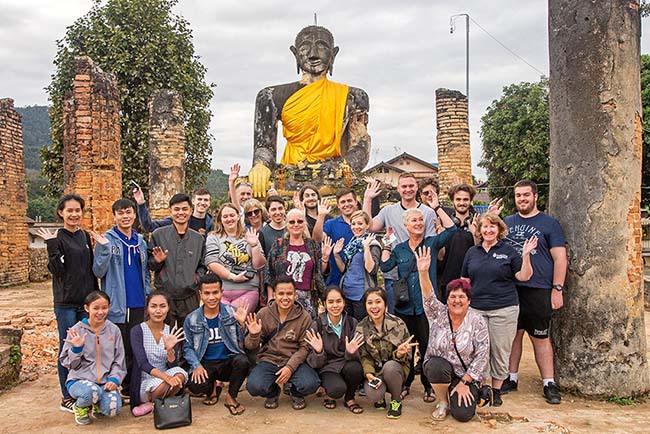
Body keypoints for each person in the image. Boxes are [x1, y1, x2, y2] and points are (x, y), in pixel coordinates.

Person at [248, 25, 370, 197]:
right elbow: (264, 146)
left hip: (332, 171)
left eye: (321, 46)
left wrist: (344, 166)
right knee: (251, 187)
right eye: (305, 47)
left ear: (333, 54)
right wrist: (260, 165)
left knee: (365, 187)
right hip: (291, 172)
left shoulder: (353, 96)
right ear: (295, 53)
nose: (313, 54)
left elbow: (360, 147)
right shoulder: (270, 96)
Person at [380, 200, 457, 403]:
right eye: (414, 220)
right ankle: (405, 384)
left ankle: (428, 386)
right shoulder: (400, 249)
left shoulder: (431, 243)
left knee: (427, 347)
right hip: (405, 306)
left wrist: (436, 207)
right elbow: (385, 266)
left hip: (427, 307)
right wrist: (386, 244)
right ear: (406, 225)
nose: (418, 222)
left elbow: (451, 229)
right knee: (407, 347)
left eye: (421, 219)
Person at [501, 180, 567, 404]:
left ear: (535, 196)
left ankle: (549, 382)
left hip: (539, 288)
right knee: (513, 336)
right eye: (518, 195)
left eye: (526, 195)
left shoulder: (549, 224)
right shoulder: (507, 222)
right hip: (512, 288)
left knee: (540, 337)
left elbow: (560, 258)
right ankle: (511, 377)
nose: (522, 199)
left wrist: (557, 289)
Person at [461, 212, 537, 406]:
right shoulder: (472, 252)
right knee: (478, 350)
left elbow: (523, 276)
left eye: (492, 226)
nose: (488, 230)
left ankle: (496, 390)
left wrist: (526, 255)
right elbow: (465, 281)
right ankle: (482, 388)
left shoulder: (509, 251)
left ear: (499, 230)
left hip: (504, 308)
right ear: (479, 230)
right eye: (484, 227)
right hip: (476, 309)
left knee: (500, 350)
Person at [35, 194, 98, 412]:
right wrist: (51, 245)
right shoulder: (58, 238)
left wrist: (95, 298)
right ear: (61, 213)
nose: (74, 214)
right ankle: (66, 396)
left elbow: (90, 270)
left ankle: (85, 389)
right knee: (68, 348)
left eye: (77, 210)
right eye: (69, 210)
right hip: (66, 303)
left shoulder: (84, 237)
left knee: (87, 347)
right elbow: (57, 271)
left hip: (85, 302)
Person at [415, 246, 489, 422]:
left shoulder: (477, 320)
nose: (457, 301)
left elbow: (482, 355)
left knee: (463, 415)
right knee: (435, 366)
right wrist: (423, 272)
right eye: (452, 297)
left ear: (469, 300)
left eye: (461, 297)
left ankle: (457, 392)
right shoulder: (437, 314)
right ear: (446, 300)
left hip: (466, 374)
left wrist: (465, 382)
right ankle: (442, 401)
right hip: (441, 369)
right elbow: (428, 296)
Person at [92, 198, 151, 396]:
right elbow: (98, 271)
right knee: (119, 347)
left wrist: (148, 296)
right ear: (114, 216)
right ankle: (116, 387)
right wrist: (103, 249)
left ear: (134, 214)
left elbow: (144, 273)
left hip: (138, 301)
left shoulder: (140, 241)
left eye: (128, 212)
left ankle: (132, 387)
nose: (125, 216)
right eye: (120, 213)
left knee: (136, 346)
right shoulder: (108, 239)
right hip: (118, 303)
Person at [363, 173, 438, 313]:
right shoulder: (389, 211)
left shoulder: (427, 213)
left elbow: (430, 242)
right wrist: (367, 199)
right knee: (397, 320)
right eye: (404, 186)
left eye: (411, 186)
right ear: (398, 189)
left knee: (423, 319)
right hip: (394, 275)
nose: (407, 189)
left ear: (417, 188)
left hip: (419, 274)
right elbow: (369, 226)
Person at [245, 277, 321, 410]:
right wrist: (254, 335)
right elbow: (250, 346)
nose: (285, 298)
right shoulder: (263, 314)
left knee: (311, 384)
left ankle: (295, 392)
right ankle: (273, 391)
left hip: (294, 360)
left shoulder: (304, 317)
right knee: (254, 386)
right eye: (281, 293)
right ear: (274, 295)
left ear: (295, 295)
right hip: (269, 359)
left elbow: (304, 347)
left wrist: (290, 367)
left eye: (289, 293)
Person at [183, 274, 251, 414]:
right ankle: (212, 388)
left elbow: (243, 345)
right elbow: (187, 347)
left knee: (243, 361)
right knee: (195, 387)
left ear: (221, 292)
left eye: (215, 292)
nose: (211, 297)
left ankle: (231, 397)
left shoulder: (231, 313)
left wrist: (242, 324)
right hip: (206, 363)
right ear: (200, 294)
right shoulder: (192, 319)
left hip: (227, 362)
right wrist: (197, 365)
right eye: (207, 293)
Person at [59, 291, 126, 425]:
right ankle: (79, 406)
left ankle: (97, 405)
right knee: (91, 391)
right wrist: (76, 349)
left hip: (104, 382)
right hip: (80, 380)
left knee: (113, 409)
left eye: (104, 308)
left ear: (109, 307)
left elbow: (119, 360)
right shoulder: (76, 330)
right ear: (86, 308)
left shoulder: (114, 330)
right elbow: (67, 362)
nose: (100, 312)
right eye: (95, 308)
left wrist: (114, 379)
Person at [148, 193, 207, 327]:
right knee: (164, 335)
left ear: (191, 211)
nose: (181, 212)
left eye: (185, 209)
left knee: (189, 335)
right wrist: (158, 261)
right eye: (177, 209)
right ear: (170, 211)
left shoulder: (198, 239)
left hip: (190, 294)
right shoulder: (159, 234)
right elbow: (150, 265)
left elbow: (202, 266)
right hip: (165, 293)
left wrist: (195, 280)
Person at [305, 286, 365, 413]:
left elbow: (359, 356)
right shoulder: (317, 324)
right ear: (324, 304)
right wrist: (318, 351)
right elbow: (313, 363)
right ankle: (328, 392)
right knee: (337, 389)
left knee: (356, 369)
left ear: (344, 302)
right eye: (331, 302)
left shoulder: (352, 322)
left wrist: (351, 352)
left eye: (339, 301)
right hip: (327, 367)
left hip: (346, 363)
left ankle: (350, 398)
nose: (335, 306)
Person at [356, 288, 414, 419]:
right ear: (365, 306)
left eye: (378, 302)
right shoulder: (361, 327)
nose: (374, 307)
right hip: (375, 371)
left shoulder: (397, 323)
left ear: (385, 304)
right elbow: (364, 356)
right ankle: (380, 397)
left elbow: (406, 357)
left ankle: (396, 401)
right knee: (373, 394)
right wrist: (369, 374)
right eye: (370, 303)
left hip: (396, 369)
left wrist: (399, 353)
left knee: (390, 368)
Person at [129, 292, 187, 417]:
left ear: (168, 308)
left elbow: (173, 365)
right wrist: (167, 378)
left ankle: (154, 405)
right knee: (167, 382)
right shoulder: (137, 331)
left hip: (166, 378)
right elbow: (142, 364)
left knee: (180, 374)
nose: (158, 311)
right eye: (154, 306)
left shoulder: (170, 331)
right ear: (147, 309)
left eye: (162, 306)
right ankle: (155, 402)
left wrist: (170, 350)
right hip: (145, 381)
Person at [264, 208, 328, 318]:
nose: (296, 225)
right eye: (292, 222)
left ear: (305, 224)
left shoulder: (312, 245)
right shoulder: (279, 245)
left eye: (300, 221)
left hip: (308, 297)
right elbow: (269, 272)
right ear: (287, 225)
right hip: (284, 297)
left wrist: (325, 258)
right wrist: (271, 298)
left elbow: (319, 272)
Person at [204, 203, 266, 314]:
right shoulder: (213, 237)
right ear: (220, 220)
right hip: (221, 290)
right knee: (223, 322)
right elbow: (211, 262)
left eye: (232, 215)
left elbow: (259, 265)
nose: (229, 219)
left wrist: (254, 246)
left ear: (238, 216)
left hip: (247, 289)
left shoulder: (249, 235)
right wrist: (233, 277)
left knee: (234, 319)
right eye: (225, 216)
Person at [331, 210, 381, 320]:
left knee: (361, 328)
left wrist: (366, 248)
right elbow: (345, 270)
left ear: (367, 225)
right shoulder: (352, 245)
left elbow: (371, 270)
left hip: (361, 295)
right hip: (347, 292)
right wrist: (336, 254)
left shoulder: (373, 244)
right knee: (348, 327)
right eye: (353, 224)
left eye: (360, 223)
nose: (356, 227)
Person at [437, 184, 479, 298]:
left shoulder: (477, 223)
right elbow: (440, 257)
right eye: (458, 199)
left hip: (473, 282)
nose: (462, 203)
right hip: (448, 280)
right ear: (452, 201)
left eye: (465, 199)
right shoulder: (445, 225)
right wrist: (441, 238)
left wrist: (475, 234)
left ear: (470, 201)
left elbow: (482, 253)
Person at [315, 188, 358, 287]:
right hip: (335, 281)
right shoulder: (331, 224)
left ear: (356, 202)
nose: (346, 204)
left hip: (359, 283)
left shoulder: (362, 223)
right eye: (343, 202)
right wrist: (321, 216)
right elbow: (317, 238)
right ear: (338, 205)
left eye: (349, 201)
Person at [134, 187, 214, 237]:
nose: (202, 203)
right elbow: (149, 227)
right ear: (193, 201)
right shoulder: (177, 220)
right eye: (199, 199)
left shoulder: (213, 225)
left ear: (210, 203)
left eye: (206, 200)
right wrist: (141, 203)